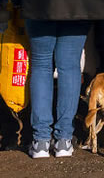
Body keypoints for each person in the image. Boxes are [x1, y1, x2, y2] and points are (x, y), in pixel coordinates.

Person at [26, 19, 91, 158]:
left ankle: (40, 142)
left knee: (41, 64)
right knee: (70, 65)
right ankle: (64, 141)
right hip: (76, 4)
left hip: (39, 4)